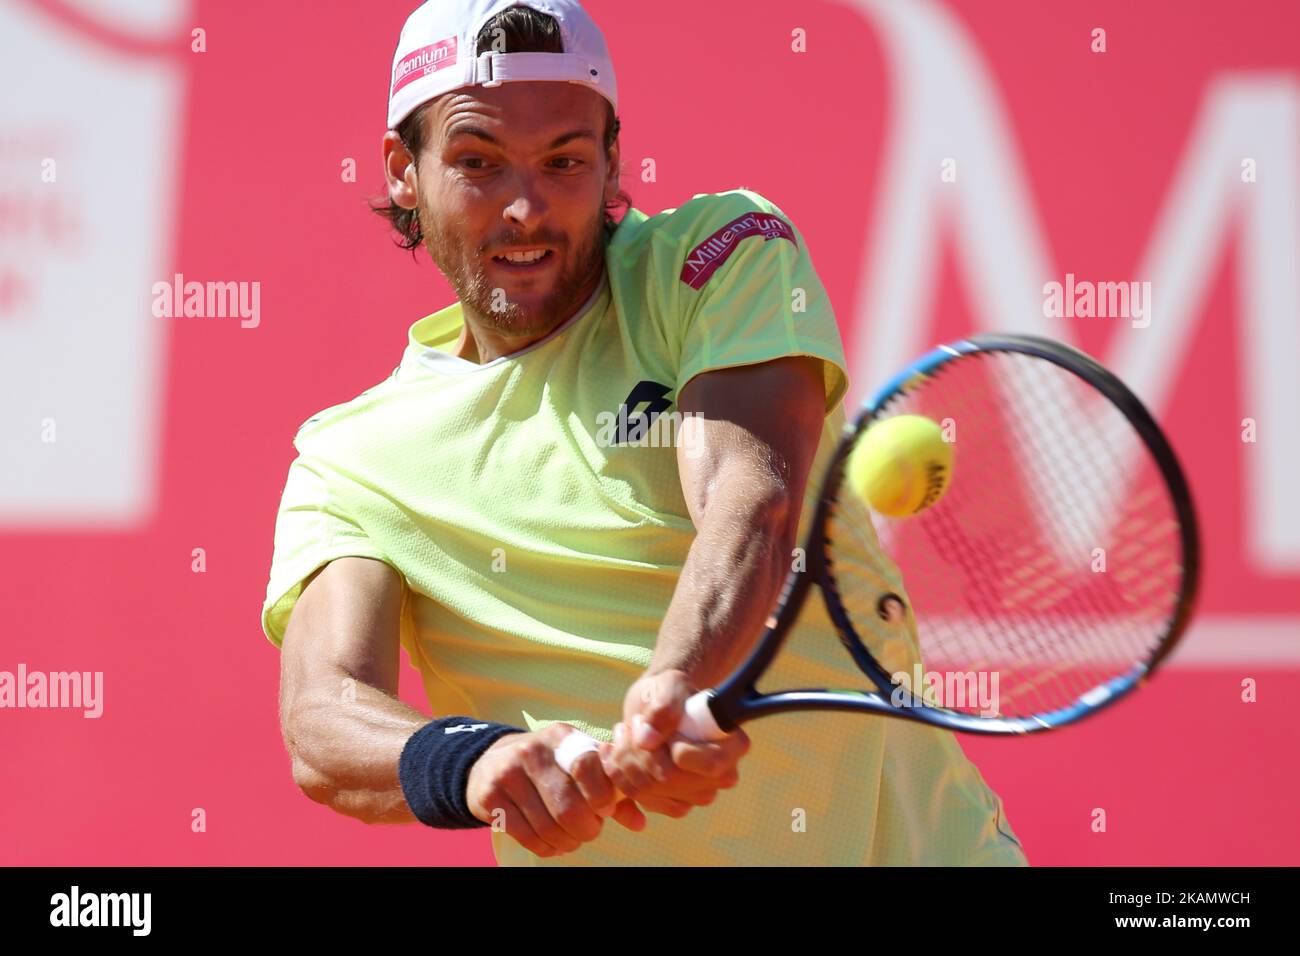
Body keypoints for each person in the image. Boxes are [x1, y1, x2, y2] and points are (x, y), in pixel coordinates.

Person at [261, 0, 1027, 866]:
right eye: (479, 162)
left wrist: (674, 687)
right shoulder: (348, 460)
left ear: (613, 159)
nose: (526, 207)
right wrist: (478, 760)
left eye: (567, 160)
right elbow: (323, 716)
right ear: (405, 169)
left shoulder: (717, 256)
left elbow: (750, 501)